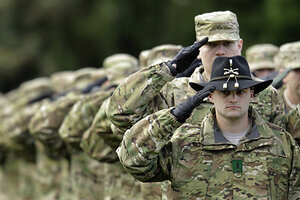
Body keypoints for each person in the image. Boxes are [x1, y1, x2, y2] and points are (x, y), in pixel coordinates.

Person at [117, 55, 300, 199]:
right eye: (225, 92)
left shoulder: (282, 144)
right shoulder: (184, 142)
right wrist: (172, 117)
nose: (233, 98)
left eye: (240, 91)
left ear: (252, 95)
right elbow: (133, 162)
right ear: (210, 96)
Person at [106, 10, 285, 140]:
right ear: (197, 50)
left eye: (227, 43)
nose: (220, 51)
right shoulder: (172, 93)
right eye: (212, 45)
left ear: (239, 45)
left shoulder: (266, 94)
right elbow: (119, 114)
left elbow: (281, 148)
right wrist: (168, 70)